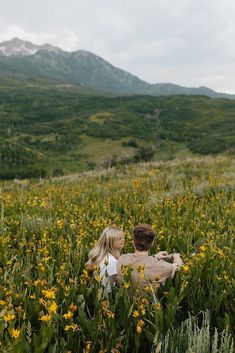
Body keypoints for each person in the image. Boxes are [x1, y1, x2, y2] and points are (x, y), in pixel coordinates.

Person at [117, 224, 183, 289]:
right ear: (152, 243)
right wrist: (176, 256)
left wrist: (154, 256)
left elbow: (140, 261)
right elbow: (178, 267)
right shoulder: (160, 266)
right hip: (148, 299)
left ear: (133, 242)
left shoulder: (122, 258)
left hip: (126, 299)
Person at [87, 225, 125, 292]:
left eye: (123, 238)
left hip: (96, 295)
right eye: (120, 238)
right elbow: (122, 284)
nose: (123, 240)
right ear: (111, 241)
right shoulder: (112, 261)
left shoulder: (100, 256)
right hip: (107, 298)